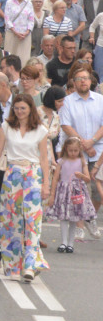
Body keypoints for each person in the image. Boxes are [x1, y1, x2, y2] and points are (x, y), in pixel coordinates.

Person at [0, 93, 51, 283]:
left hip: (32, 174)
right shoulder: (7, 127)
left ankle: (30, 264)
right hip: (12, 173)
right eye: (16, 108)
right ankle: (15, 263)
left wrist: (46, 183)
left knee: (32, 219)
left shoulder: (41, 130)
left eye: (23, 108)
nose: (19, 111)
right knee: (12, 220)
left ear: (31, 108)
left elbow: (43, 159)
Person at [59, 64, 103, 238]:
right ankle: (79, 225)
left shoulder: (100, 100)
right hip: (76, 151)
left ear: (91, 80)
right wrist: (84, 145)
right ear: (74, 83)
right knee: (79, 190)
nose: (82, 82)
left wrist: (92, 141)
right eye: (79, 79)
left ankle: (90, 216)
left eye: (85, 78)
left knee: (97, 189)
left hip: (98, 149)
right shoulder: (68, 102)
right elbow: (65, 125)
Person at [47, 138, 97, 253]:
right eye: (71, 151)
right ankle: (63, 242)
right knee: (64, 217)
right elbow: (55, 179)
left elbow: (88, 179)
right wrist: (52, 194)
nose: (73, 153)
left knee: (74, 218)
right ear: (66, 149)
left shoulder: (82, 161)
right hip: (64, 191)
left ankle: (70, 243)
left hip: (76, 191)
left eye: (75, 150)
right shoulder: (61, 161)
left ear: (79, 150)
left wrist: (81, 176)